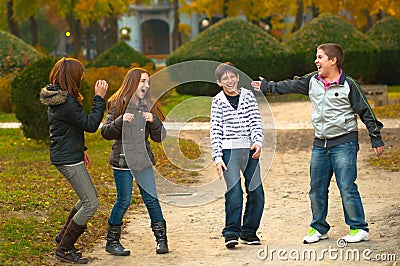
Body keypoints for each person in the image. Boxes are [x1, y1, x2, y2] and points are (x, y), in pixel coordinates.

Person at [252, 43, 385, 244]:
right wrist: (267, 86)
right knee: (316, 187)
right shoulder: (312, 80)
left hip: (344, 143)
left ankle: (359, 228)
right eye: (317, 57)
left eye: (320, 57)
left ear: (333, 60)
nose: (316, 61)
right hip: (320, 143)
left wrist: (376, 138)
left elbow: (366, 112)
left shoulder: (349, 84)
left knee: (347, 186)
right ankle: (319, 227)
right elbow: (289, 85)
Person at [39, 57, 108, 264]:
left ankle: (63, 237)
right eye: (81, 74)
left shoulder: (60, 97)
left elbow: (69, 127)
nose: (82, 78)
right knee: (91, 204)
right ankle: (64, 248)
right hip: (67, 159)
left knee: (88, 198)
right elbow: (90, 124)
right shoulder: (66, 101)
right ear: (73, 76)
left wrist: (82, 148)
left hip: (69, 154)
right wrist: (99, 98)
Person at [101, 67, 168, 256]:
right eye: (142, 81)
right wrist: (120, 120)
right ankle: (112, 241)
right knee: (124, 200)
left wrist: (153, 121)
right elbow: (105, 132)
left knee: (151, 200)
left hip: (142, 160)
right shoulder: (117, 104)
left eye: (148, 81)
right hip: (122, 160)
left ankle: (161, 240)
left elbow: (160, 137)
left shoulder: (149, 105)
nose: (146, 85)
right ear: (132, 83)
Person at [210, 62, 265, 248]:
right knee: (234, 193)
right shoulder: (217, 101)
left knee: (256, 192)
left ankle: (249, 232)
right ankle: (231, 233)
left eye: (232, 76)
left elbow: (255, 121)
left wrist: (258, 142)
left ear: (238, 77)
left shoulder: (248, 96)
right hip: (228, 152)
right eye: (225, 78)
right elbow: (215, 130)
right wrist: (217, 157)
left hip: (249, 151)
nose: (229, 80)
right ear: (219, 82)